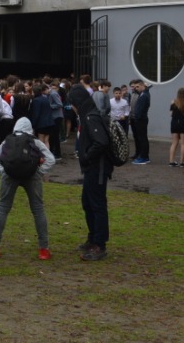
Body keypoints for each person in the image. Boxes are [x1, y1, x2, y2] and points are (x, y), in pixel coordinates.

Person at [0, 116, 55, 261]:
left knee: (3, 208)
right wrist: (39, 172)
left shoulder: (7, 141)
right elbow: (51, 159)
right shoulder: (34, 141)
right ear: (30, 129)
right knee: (38, 210)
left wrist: (3, 172)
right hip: (32, 176)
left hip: (9, 175)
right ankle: (44, 249)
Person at [68, 83, 110, 261]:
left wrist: (85, 156)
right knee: (87, 202)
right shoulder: (87, 115)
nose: (72, 107)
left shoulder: (91, 117)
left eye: (72, 103)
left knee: (97, 204)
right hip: (91, 168)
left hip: (97, 167)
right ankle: (93, 238)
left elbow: (101, 142)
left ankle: (99, 244)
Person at [130, 80, 151, 164]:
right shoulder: (142, 94)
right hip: (140, 119)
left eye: (138, 87)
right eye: (135, 87)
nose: (136, 89)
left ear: (143, 86)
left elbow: (140, 109)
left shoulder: (144, 95)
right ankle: (143, 156)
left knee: (142, 139)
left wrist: (137, 117)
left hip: (141, 119)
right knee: (141, 138)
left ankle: (144, 157)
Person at [168, 88, 184, 167]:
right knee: (183, 143)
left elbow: (170, 114)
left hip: (175, 123)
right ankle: (182, 162)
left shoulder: (174, 101)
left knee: (174, 143)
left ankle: (171, 161)